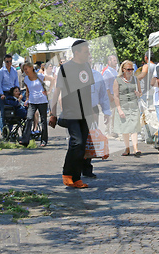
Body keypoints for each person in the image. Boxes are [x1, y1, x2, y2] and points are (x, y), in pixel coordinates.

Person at [49, 40, 95, 188]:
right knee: (77, 142)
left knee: (80, 147)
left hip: (85, 112)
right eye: (85, 51)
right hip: (71, 111)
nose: (88, 54)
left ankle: (76, 178)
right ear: (77, 52)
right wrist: (53, 113)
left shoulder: (87, 66)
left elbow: (88, 91)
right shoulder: (65, 68)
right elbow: (57, 91)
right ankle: (67, 174)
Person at [19, 62, 53, 147]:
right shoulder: (26, 79)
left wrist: (49, 91)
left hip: (42, 100)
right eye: (24, 70)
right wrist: (27, 99)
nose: (25, 71)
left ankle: (44, 140)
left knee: (43, 120)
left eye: (26, 69)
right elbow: (28, 90)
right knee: (29, 118)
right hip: (32, 101)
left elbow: (52, 79)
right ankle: (25, 140)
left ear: (31, 68)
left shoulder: (40, 76)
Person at [114, 60, 142, 157]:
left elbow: (140, 92)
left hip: (134, 106)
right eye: (128, 69)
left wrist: (139, 94)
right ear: (123, 69)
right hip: (123, 106)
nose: (130, 71)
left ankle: (135, 148)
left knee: (134, 128)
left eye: (132, 69)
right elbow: (116, 96)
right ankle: (127, 148)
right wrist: (119, 109)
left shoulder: (135, 79)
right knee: (125, 129)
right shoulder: (117, 80)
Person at [0, 54, 19, 131]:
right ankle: (3, 131)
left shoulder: (14, 70)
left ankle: (10, 130)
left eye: (10, 61)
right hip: (3, 94)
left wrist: (17, 92)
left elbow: (16, 83)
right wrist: (1, 94)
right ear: (4, 62)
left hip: (11, 94)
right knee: (3, 113)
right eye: (7, 61)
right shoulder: (1, 71)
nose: (9, 63)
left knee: (11, 113)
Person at [102, 55, 119, 138]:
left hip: (114, 95)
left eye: (116, 60)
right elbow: (106, 86)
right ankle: (106, 131)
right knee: (108, 114)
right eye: (114, 60)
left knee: (114, 114)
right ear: (109, 62)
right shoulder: (107, 72)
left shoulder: (114, 71)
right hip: (110, 95)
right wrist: (110, 96)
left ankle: (112, 131)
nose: (116, 62)